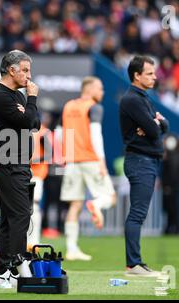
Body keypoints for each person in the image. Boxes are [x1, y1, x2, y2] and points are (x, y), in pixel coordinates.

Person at [0, 50, 40, 286]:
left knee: (11, 218)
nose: (29, 76)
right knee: (21, 215)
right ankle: (18, 268)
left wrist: (27, 109)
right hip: (8, 163)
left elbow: (34, 123)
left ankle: (0, 271)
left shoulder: (16, 95)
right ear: (12, 70)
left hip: (17, 163)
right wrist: (31, 101)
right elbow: (28, 120)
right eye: (25, 70)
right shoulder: (1, 95)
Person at [119, 56, 169, 277]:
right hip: (140, 161)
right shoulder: (133, 99)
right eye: (149, 73)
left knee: (139, 213)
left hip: (146, 161)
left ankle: (136, 262)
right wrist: (155, 123)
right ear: (136, 75)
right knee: (137, 214)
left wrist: (156, 123)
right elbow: (155, 129)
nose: (154, 77)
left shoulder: (142, 98)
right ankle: (133, 264)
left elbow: (160, 126)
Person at [58, 76, 117, 261]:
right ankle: (96, 204)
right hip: (90, 159)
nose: (102, 92)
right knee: (110, 198)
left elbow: (60, 133)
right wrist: (101, 160)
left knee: (74, 205)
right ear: (89, 89)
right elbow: (95, 134)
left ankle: (71, 249)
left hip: (72, 162)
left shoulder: (68, 106)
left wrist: (63, 157)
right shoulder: (94, 106)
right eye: (100, 88)